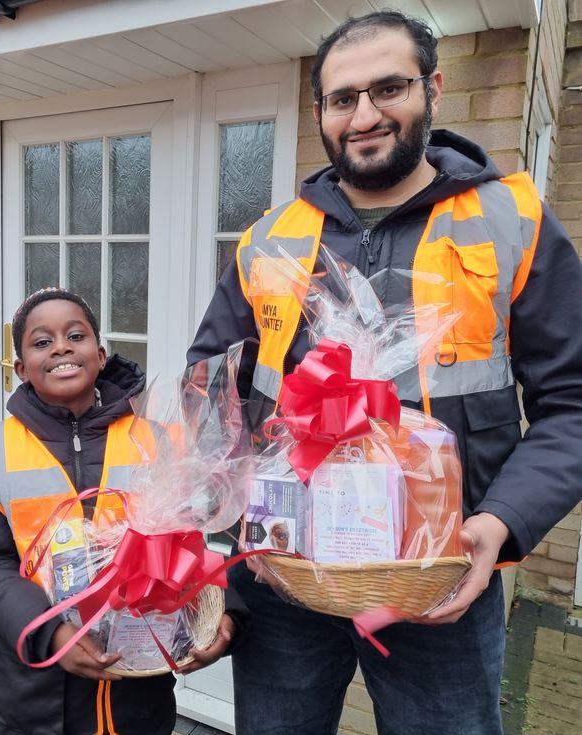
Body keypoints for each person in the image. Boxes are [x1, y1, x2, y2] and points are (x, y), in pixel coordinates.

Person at [188, 10, 582, 735]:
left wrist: (503, 521)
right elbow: (212, 387)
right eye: (343, 98)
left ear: (432, 89)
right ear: (321, 113)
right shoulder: (270, 237)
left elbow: (573, 400)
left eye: (388, 88)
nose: (365, 114)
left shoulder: (513, 219)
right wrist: (222, 520)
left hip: (444, 574)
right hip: (285, 577)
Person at [0, 288, 240, 735]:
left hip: (138, 684)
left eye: (75, 335)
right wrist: (50, 633)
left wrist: (224, 612)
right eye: (41, 342)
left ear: (101, 354)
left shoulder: (163, 439)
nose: (61, 347)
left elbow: (192, 547)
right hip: (31, 691)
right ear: (20, 368)